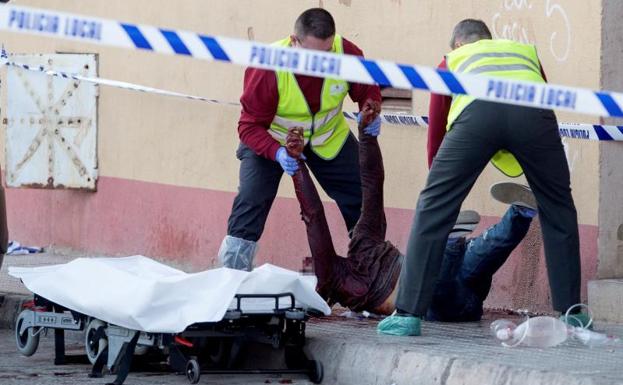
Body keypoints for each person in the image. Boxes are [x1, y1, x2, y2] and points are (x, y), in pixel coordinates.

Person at [379, 19, 582, 335]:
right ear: (488, 39)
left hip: (476, 116)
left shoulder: (452, 60)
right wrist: (543, 168)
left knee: (432, 209)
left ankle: (407, 314)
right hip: (533, 115)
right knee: (559, 208)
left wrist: (441, 190)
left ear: (458, 44)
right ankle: (572, 313)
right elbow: (546, 102)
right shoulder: (522, 52)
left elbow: (437, 128)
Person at [285, 104, 538, 328]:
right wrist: (300, 166)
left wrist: (365, 136)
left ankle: (520, 212)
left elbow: (320, 213)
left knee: (476, 257)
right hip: (442, 303)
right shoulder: (360, 246)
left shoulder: (343, 265)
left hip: (456, 300)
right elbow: (364, 188)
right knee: (467, 259)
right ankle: (452, 240)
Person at [218, 8, 382, 271]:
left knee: (363, 199)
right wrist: (277, 153)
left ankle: (372, 273)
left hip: (329, 139)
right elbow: (248, 127)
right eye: (313, 56)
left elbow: (367, 88)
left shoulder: (346, 52)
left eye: (327, 54)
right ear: (294, 41)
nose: (321, 63)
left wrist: (371, 110)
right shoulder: (268, 66)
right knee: (251, 201)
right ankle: (230, 280)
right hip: (271, 140)